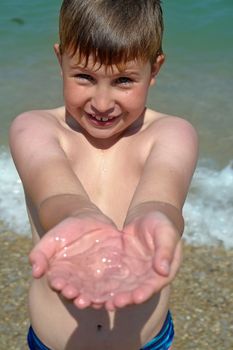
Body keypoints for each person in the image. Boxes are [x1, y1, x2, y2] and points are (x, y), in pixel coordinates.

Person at [9, 0, 198, 349]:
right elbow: (54, 191)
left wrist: (155, 218)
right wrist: (81, 215)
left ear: (154, 69)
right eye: (84, 77)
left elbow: (160, 197)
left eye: (124, 80)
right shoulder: (35, 128)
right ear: (59, 59)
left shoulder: (172, 134)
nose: (101, 102)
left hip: (146, 342)